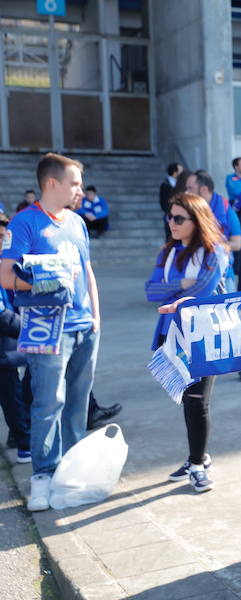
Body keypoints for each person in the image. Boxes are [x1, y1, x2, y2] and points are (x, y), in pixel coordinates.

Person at [0, 153, 102, 512]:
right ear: (52, 183)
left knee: (77, 402)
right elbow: (5, 276)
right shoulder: (24, 223)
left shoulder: (77, 223)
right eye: (74, 183)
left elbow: (87, 271)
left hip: (82, 326)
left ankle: (73, 471)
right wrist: (44, 279)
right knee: (47, 403)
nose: (80, 190)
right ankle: (43, 475)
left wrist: (96, 317)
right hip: (47, 328)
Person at [145, 192, 228, 492]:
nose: (171, 223)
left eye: (179, 218)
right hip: (172, 336)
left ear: (196, 220)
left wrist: (175, 294)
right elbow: (150, 292)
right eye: (169, 216)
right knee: (187, 399)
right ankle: (198, 457)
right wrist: (180, 286)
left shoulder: (214, 251)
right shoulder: (168, 252)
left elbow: (203, 293)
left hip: (204, 335)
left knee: (196, 400)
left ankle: (196, 464)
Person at [0, 213, 29, 464]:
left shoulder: (9, 263)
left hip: (13, 333)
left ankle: (19, 435)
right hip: (6, 337)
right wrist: (30, 328)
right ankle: (23, 443)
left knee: (23, 386)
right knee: (10, 392)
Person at [160, 162, 182, 240]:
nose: (181, 173)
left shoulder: (180, 183)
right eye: (179, 170)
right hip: (169, 214)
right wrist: (169, 211)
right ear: (175, 172)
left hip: (179, 214)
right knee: (169, 237)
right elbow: (163, 202)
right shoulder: (165, 185)